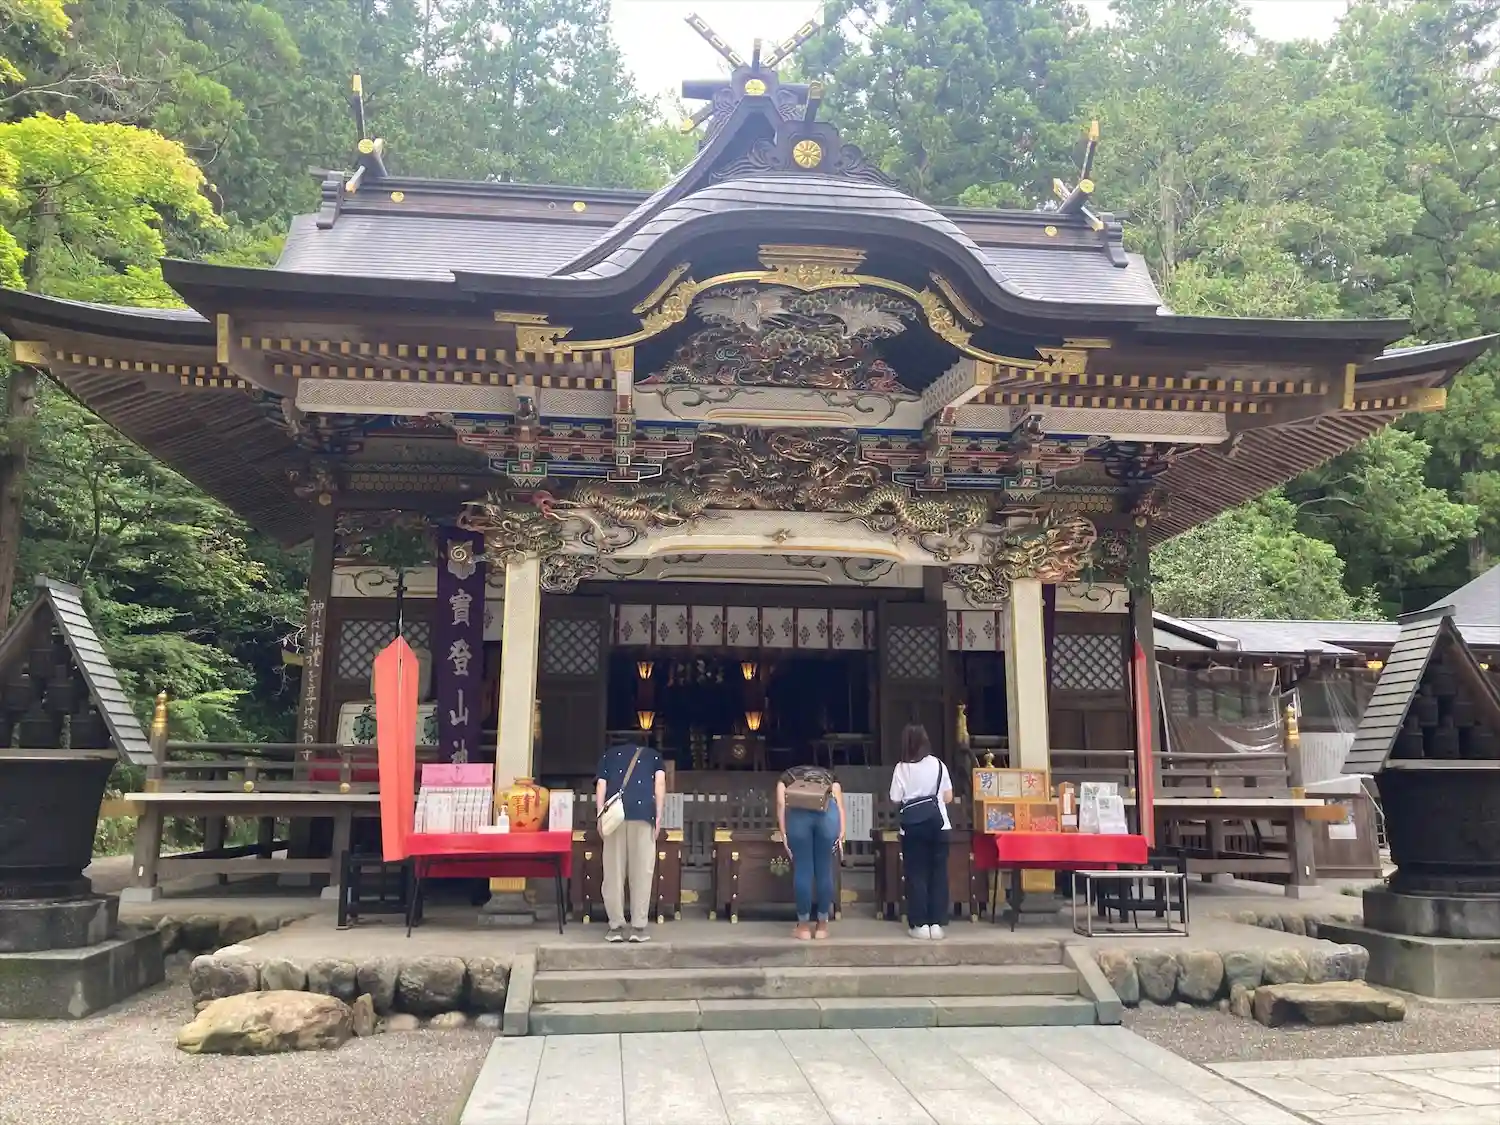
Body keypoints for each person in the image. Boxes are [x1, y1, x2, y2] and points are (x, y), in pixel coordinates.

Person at [594, 738, 666, 943]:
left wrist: (600, 815)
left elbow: (601, 785)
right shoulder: (653, 756)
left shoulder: (608, 755)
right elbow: (660, 784)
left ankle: (615, 927)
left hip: (614, 817)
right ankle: (638, 927)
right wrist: (658, 816)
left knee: (613, 873)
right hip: (643, 814)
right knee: (642, 872)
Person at [889, 723, 953, 940]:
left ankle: (920, 924)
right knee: (939, 874)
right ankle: (937, 924)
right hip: (939, 825)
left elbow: (895, 798)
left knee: (916, 874)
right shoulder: (939, 765)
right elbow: (948, 797)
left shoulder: (901, 768)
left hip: (913, 827)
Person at [775, 763, 845, 940]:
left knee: (803, 869)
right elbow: (839, 804)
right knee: (824, 870)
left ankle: (804, 927)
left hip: (798, 817)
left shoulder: (787, 776)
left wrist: (783, 833)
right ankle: (822, 926)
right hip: (827, 816)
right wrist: (841, 832)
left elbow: (781, 803)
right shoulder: (830, 776)